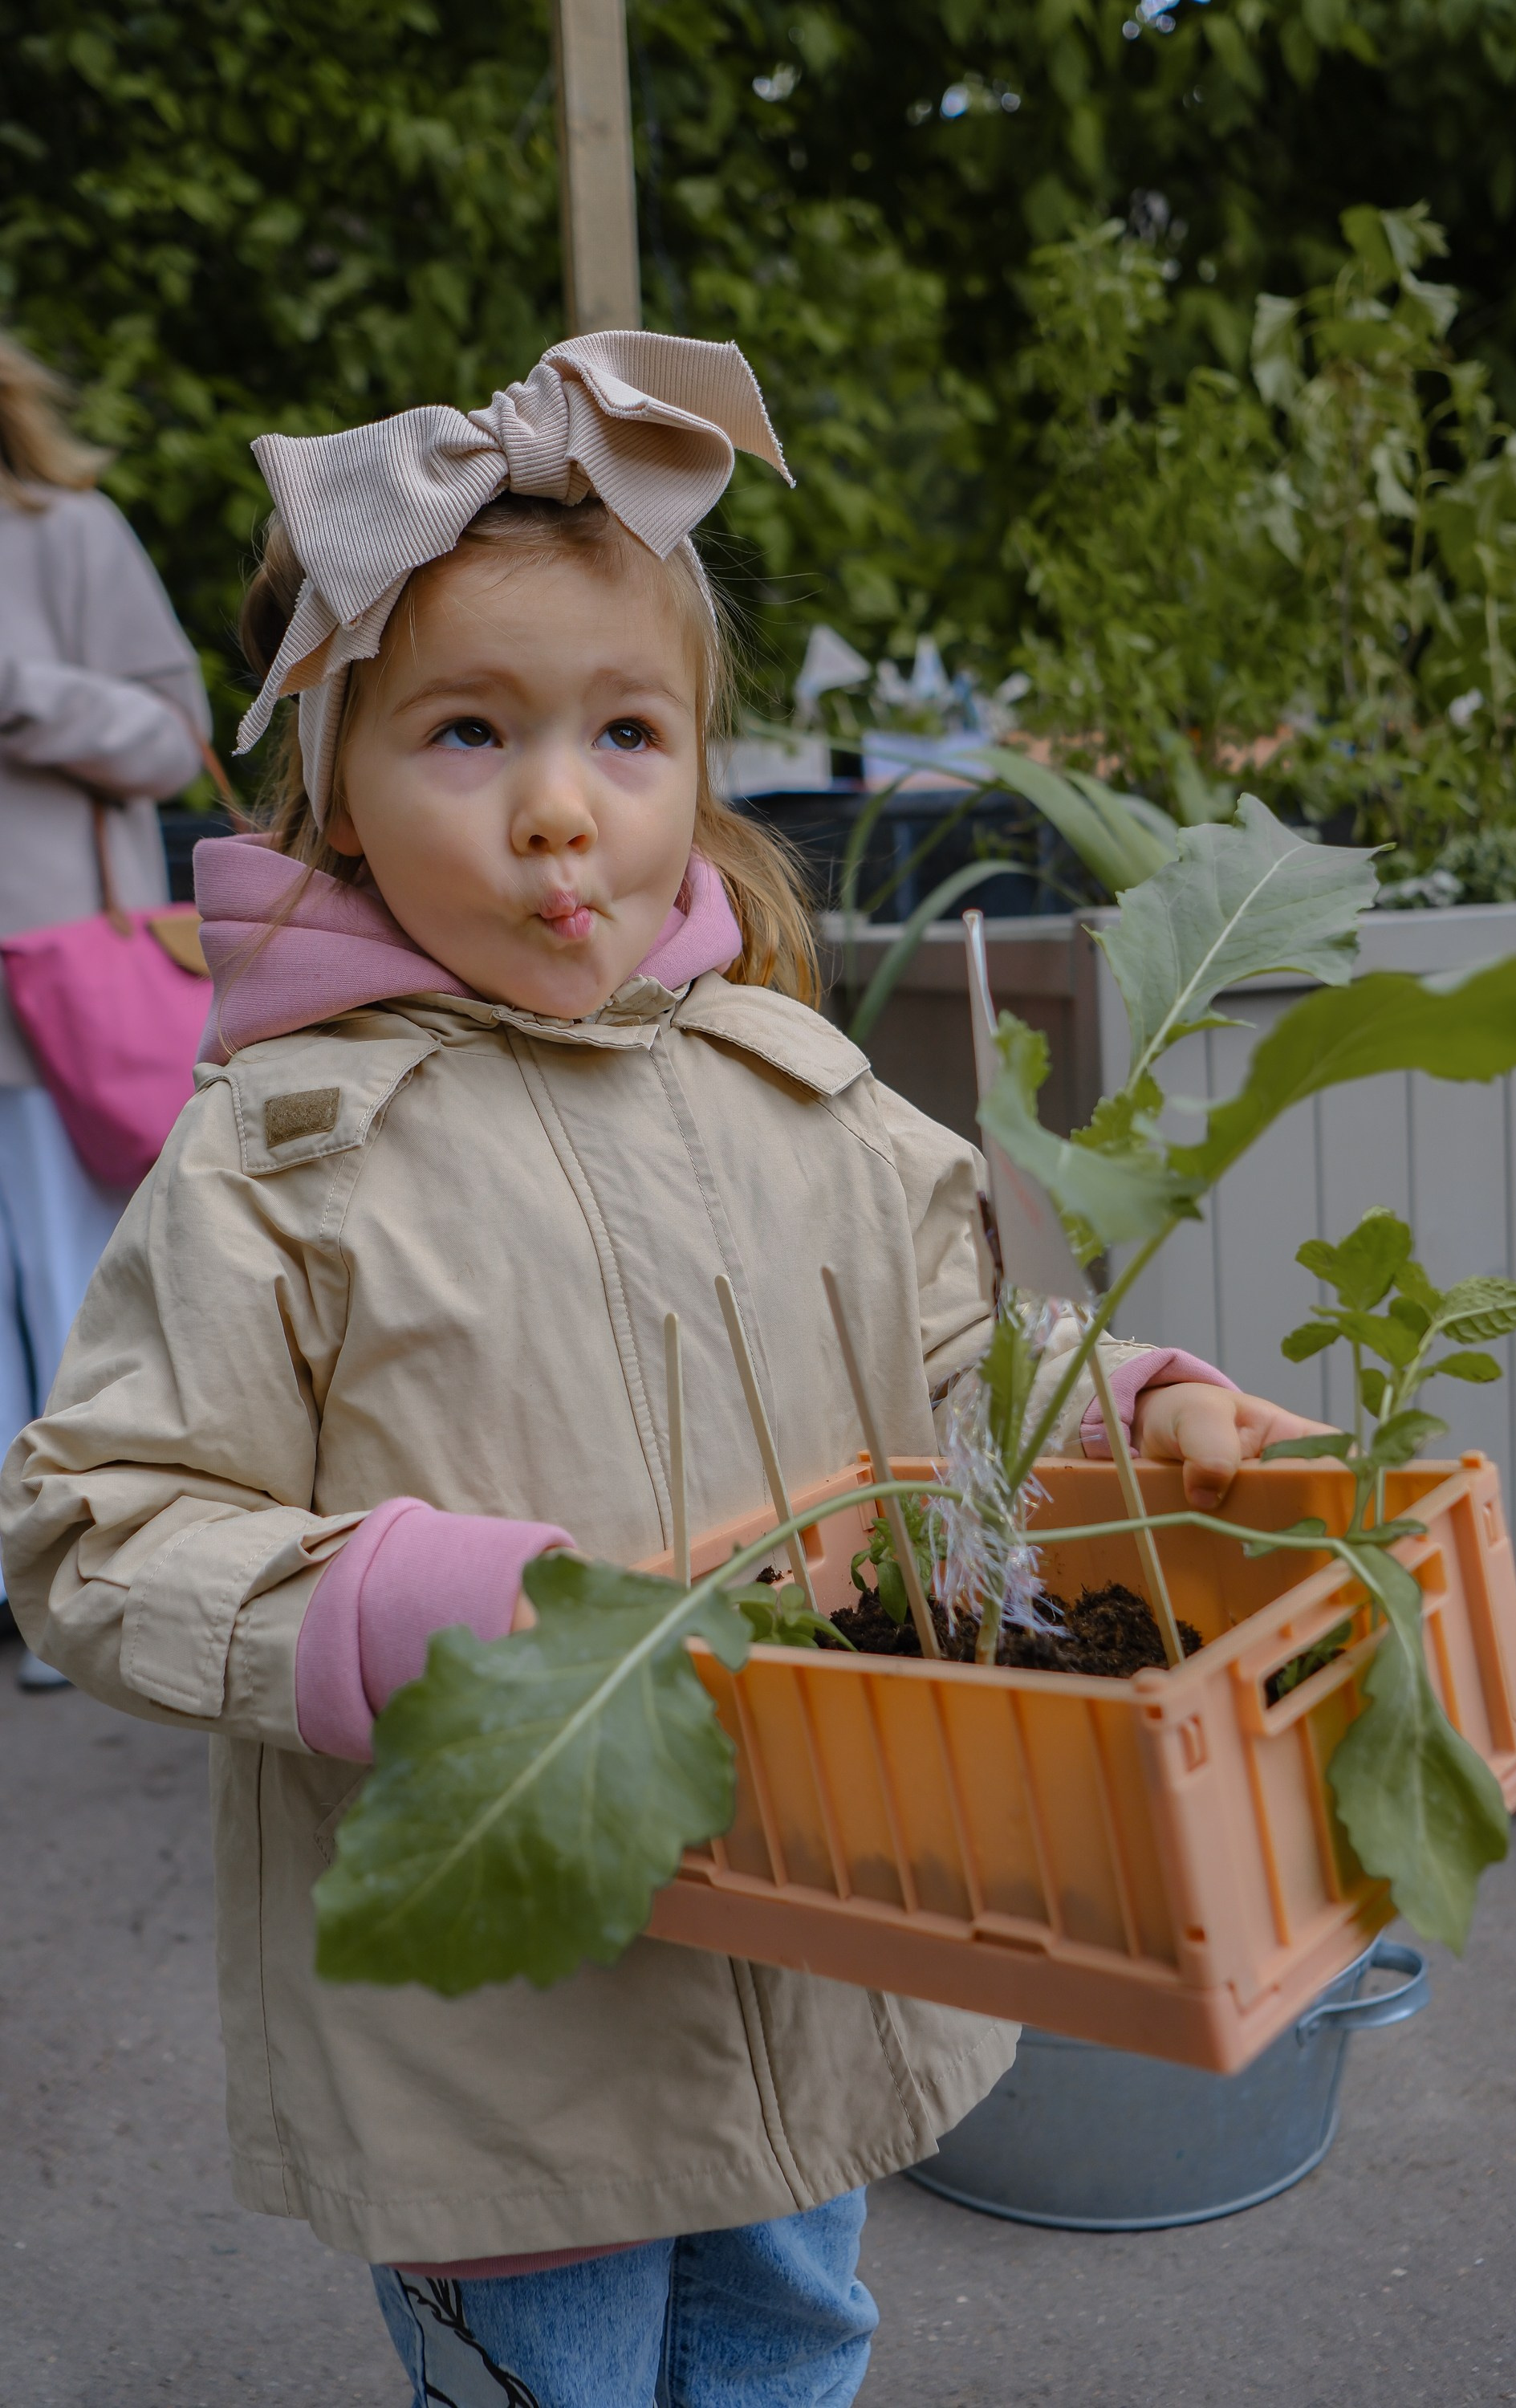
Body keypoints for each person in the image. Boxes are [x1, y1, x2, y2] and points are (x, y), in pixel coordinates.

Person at [0, 334, 1318, 2406]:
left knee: (798, 2333)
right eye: (462, 734)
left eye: (626, 733)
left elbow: (963, 1367)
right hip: (509, 2019)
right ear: (330, 778)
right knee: (560, 2375)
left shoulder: (802, 1089)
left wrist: (1132, 1395)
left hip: (820, 1936)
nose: (556, 811)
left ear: (700, 757)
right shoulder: (282, 1154)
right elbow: (93, 1530)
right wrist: (393, 1610)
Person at [0, 331, 209, 1690]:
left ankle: (71, 1585)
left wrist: (20, 692)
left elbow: (175, 732)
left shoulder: (62, 530)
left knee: (70, 1288)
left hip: (51, 1005)